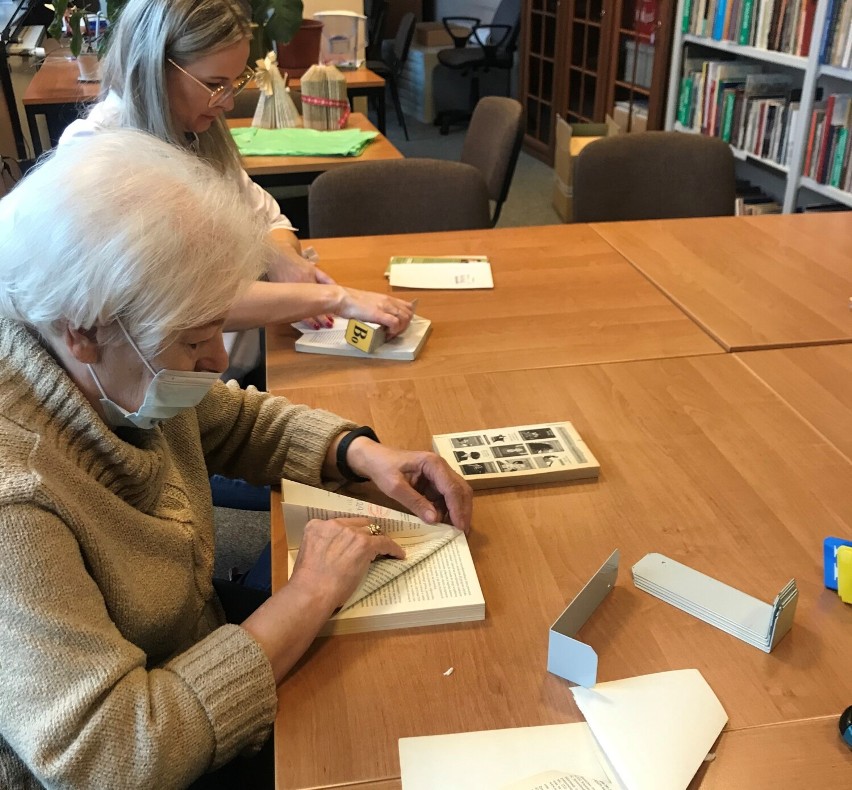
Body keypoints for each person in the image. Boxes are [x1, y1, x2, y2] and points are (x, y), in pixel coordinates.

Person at [0, 129, 472, 789]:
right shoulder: (16, 499)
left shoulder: (110, 366)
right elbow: (109, 758)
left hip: (189, 646)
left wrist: (358, 451)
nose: (218, 361)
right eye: (193, 342)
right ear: (80, 331)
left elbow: (230, 419)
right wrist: (307, 595)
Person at [59, 0, 414, 381]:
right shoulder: (97, 156)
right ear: (153, 68)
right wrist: (335, 298)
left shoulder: (191, 131)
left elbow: (265, 216)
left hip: (238, 363)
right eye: (214, 85)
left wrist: (285, 262)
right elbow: (179, 303)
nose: (227, 102)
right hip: (169, 385)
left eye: (234, 83)